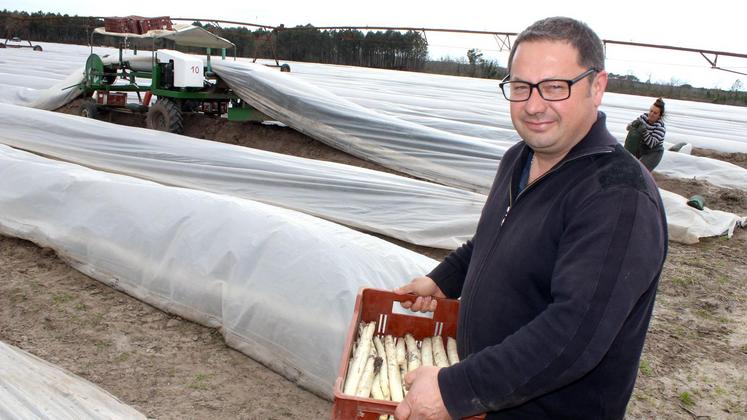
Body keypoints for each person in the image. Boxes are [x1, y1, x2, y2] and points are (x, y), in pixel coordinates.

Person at [392, 17, 668, 420]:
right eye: (521, 87)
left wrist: (457, 390)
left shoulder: (618, 195)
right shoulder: (519, 158)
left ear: (597, 86)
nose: (534, 105)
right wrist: (443, 280)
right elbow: (495, 238)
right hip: (492, 397)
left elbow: (574, 334)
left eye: (556, 86)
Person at [624, 98, 667, 171]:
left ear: (660, 116)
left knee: (641, 170)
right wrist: (632, 125)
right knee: (629, 165)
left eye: (655, 113)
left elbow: (651, 144)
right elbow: (628, 128)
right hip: (641, 148)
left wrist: (644, 131)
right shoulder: (644, 117)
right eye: (651, 111)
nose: (651, 114)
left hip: (654, 152)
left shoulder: (660, 128)